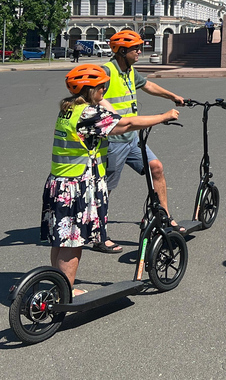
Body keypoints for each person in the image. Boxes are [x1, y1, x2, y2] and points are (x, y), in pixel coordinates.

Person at [42, 65, 178, 294]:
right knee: (73, 243)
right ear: (90, 90)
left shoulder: (69, 108)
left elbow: (111, 115)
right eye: (101, 87)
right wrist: (163, 116)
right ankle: (66, 291)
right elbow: (126, 124)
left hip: (59, 183)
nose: (104, 90)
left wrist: (102, 102)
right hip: (76, 186)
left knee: (61, 240)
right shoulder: (88, 114)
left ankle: (59, 287)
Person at [100, 30, 186, 251]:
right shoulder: (106, 72)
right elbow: (93, 97)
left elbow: (147, 85)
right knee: (106, 188)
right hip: (113, 141)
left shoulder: (130, 71)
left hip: (132, 138)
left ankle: (164, 218)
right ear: (121, 51)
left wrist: (172, 96)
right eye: (135, 48)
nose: (140, 51)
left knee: (156, 167)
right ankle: (99, 234)